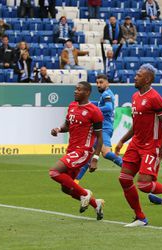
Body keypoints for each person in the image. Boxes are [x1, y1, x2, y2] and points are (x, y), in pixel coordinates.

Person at [115, 64, 162, 227]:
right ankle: (140, 217)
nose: (135, 77)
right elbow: (136, 125)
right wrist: (122, 140)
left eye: (138, 75)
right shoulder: (135, 96)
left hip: (151, 146)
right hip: (136, 144)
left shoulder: (155, 98)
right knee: (124, 179)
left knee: (143, 185)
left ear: (148, 79)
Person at [49, 81, 104, 220]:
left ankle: (85, 194)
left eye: (79, 90)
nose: (75, 91)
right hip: (72, 150)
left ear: (87, 93)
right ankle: (95, 204)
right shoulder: (72, 106)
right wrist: (59, 129)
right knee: (66, 188)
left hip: (83, 151)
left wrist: (95, 159)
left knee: (54, 172)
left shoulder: (94, 111)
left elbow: (99, 137)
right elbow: (68, 125)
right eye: (75, 89)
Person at [75, 74, 123, 182]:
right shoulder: (106, 94)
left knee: (104, 153)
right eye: (97, 83)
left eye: (101, 82)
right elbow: (99, 104)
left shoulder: (106, 93)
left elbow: (108, 108)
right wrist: (89, 103)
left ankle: (128, 167)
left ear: (107, 83)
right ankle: (76, 180)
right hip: (104, 127)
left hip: (105, 128)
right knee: (91, 154)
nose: (98, 85)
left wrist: (91, 109)